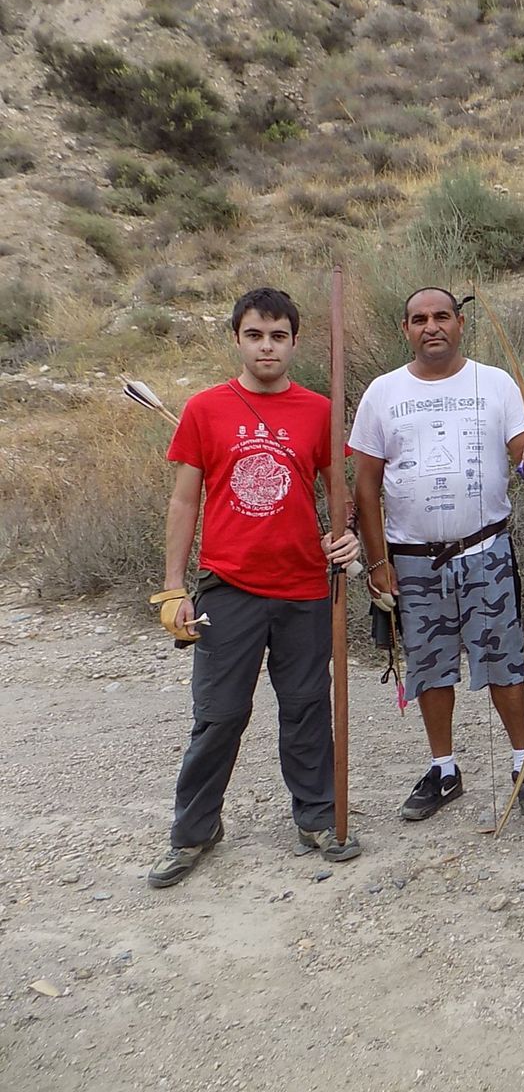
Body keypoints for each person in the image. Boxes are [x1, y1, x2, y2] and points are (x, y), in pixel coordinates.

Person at [148, 287, 363, 887]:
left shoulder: (319, 410)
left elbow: (334, 489)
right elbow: (185, 497)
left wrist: (343, 539)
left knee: (306, 707)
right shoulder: (205, 409)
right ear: (237, 339)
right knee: (218, 715)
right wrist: (173, 586)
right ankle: (194, 832)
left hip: (303, 587)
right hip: (228, 585)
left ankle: (317, 818)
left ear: (294, 342)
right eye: (254, 335)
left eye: (277, 336)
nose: (266, 346)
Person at [352, 287, 524, 824]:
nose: (431, 326)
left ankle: (523, 763)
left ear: (461, 323)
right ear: (405, 329)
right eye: (419, 319)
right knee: (428, 666)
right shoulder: (382, 392)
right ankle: (444, 769)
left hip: (483, 550)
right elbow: (365, 486)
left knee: (504, 662)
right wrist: (378, 564)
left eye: (442, 316)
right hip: (413, 559)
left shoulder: (496, 383)